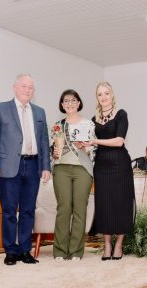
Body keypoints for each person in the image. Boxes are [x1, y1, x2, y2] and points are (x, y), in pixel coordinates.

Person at [0, 73, 51, 266]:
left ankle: (24, 250)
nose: (27, 90)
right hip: (8, 166)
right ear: (14, 87)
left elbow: (44, 141)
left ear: (34, 91)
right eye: (23, 86)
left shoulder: (39, 112)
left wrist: (46, 166)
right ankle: (10, 251)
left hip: (33, 165)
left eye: (30, 87)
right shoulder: (0, 108)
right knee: (9, 210)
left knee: (29, 210)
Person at [84, 81, 135, 261]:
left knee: (121, 203)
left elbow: (119, 141)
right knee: (104, 204)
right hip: (102, 165)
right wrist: (81, 146)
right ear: (97, 98)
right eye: (100, 94)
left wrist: (95, 142)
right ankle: (107, 245)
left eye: (106, 93)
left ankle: (119, 244)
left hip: (120, 164)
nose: (104, 97)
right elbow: (89, 145)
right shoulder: (92, 120)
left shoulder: (121, 114)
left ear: (112, 95)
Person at [51, 89, 96, 261]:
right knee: (63, 209)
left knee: (79, 209)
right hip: (61, 168)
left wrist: (85, 148)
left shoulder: (89, 124)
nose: (69, 103)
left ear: (78, 103)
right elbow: (53, 149)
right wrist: (54, 153)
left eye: (73, 100)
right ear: (62, 105)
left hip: (82, 169)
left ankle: (76, 251)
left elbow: (96, 148)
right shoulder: (57, 125)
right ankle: (60, 250)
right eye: (66, 101)